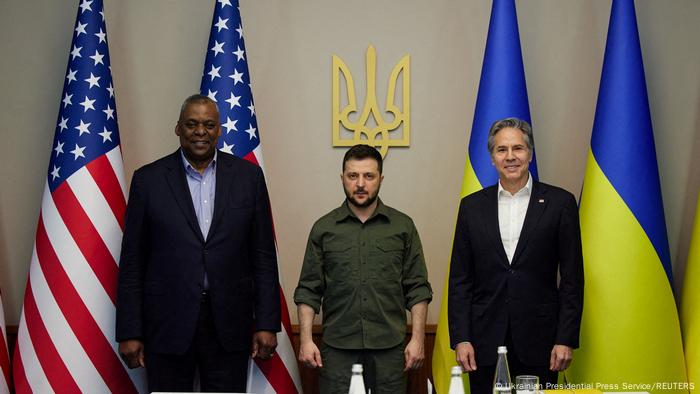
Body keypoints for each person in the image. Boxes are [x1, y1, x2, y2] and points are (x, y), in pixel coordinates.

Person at [115, 94, 280, 392]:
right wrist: (129, 330)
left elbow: (263, 257)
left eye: (208, 124)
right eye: (191, 124)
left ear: (219, 130)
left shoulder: (248, 178)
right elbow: (132, 263)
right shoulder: (148, 181)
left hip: (229, 324)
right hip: (167, 324)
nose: (200, 132)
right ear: (178, 128)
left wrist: (267, 323)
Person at [448, 118, 584, 392]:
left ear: (530, 154)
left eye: (518, 148)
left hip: (542, 342)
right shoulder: (471, 207)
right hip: (483, 343)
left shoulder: (560, 204)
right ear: (492, 158)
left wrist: (565, 338)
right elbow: (460, 279)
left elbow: (572, 279)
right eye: (502, 150)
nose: (510, 156)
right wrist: (461, 338)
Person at [294, 144, 433, 394]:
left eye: (368, 176)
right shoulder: (324, 229)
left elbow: (418, 288)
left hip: (390, 350)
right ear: (342, 178)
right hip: (337, 351)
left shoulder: (402, 227)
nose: (360, 183)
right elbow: (308, 290)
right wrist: (305, 340)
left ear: (380, 178)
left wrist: (418, 339)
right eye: (352, 176)